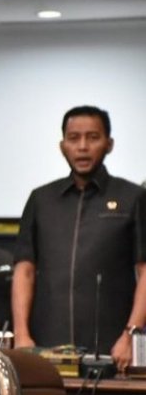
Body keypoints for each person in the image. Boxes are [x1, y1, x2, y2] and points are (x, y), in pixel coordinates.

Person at [12, 105, 146, 372]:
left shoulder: (133, 198)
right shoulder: (41, 199)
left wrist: (132, 335)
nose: (82, 146)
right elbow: (24, 270)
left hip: (113, 349)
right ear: (63, 146)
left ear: (109, 144)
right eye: (74, 138)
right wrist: (21, 334)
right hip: (45, 346)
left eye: (93, 137)